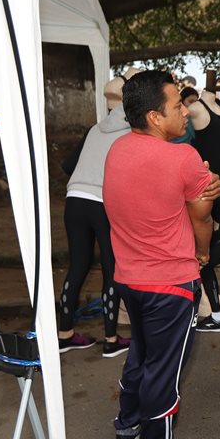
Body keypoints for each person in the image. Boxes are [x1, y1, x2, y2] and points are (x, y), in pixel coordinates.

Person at [104, 70, 218, 439]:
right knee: (164, 369)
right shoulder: (182, 157)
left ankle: (127, 425)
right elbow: (202, 214)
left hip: (130, 277)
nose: (185, 111)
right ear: (155, 116)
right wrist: (202, 253)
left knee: (141, 353)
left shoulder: (118, 149)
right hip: (170, 281)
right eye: (177, 105)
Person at [56, 76, 133, 356]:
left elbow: (68, 165)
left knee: (78, 266)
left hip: (74, 200)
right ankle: (111, 340)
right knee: (110, 269)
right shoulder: (132, 133)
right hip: (102, 202)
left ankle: (64, 334)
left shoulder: (94, 130)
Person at [188, 69, 220, 334]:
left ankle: (214, 314)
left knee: (202, 254)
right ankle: (214, 312)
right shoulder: (215, 110)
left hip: (211, 188)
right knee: (218, 246)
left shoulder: (196, 108)